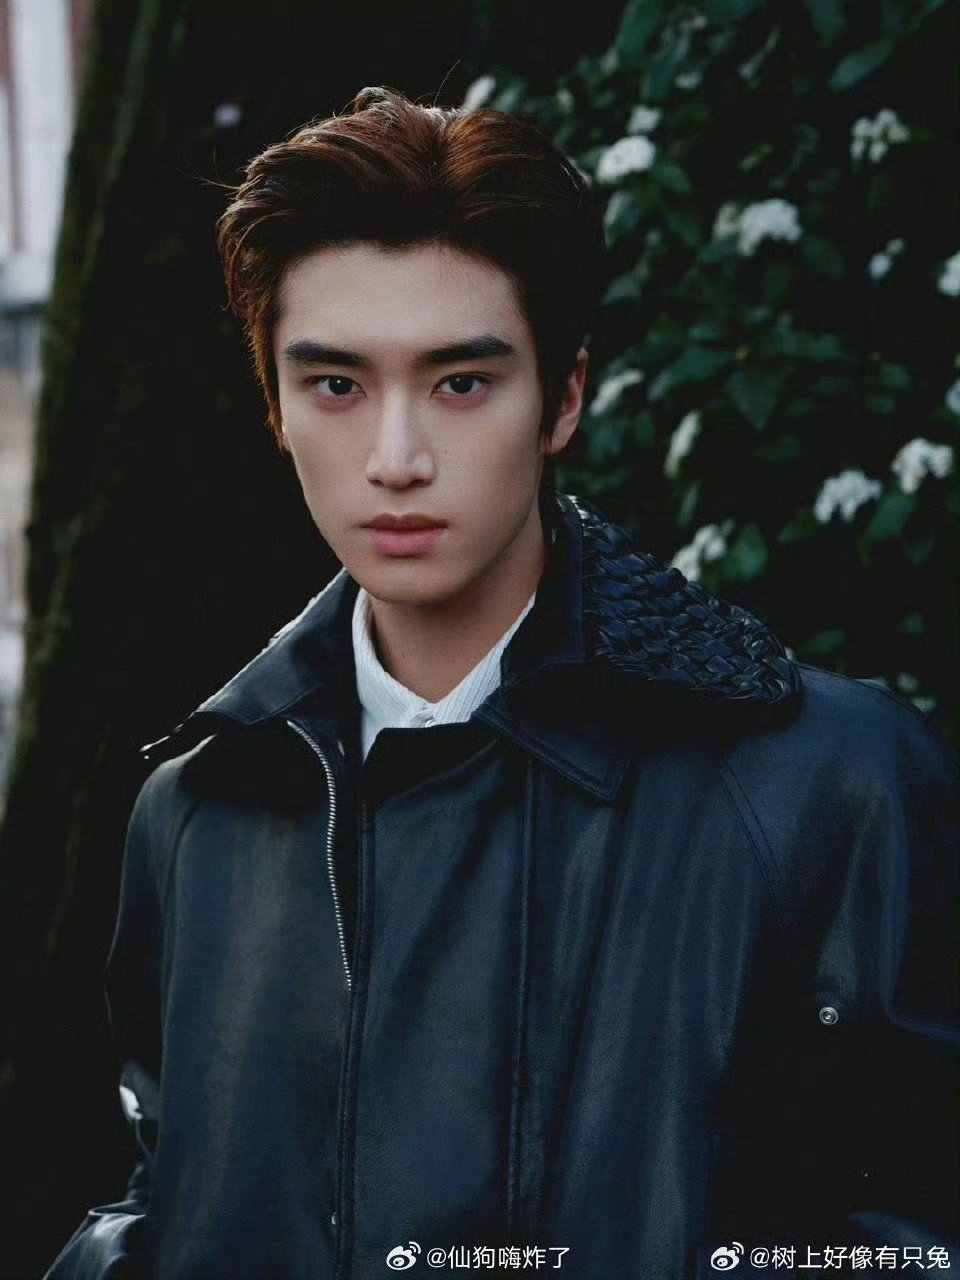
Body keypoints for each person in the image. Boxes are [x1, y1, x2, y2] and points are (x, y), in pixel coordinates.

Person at [45, 86, 957, 1280]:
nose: (396, 458)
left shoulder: (825, 784)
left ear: (563, 397)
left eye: (461, 382)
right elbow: (172, 1186)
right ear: (275, 406)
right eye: (337, 385)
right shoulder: (199, 809)